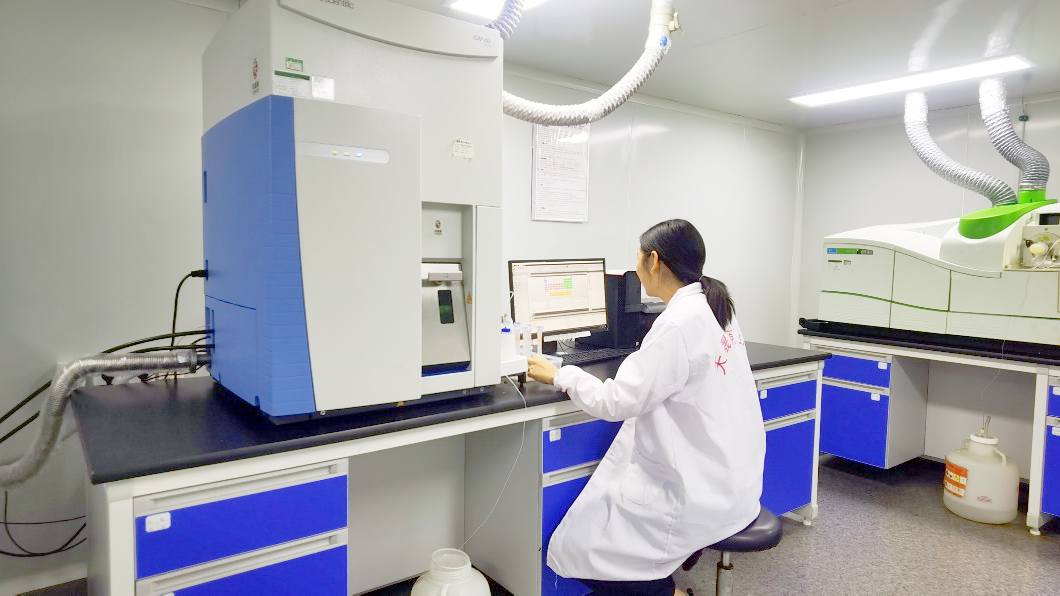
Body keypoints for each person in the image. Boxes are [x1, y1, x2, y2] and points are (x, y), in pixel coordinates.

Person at [526, 219, 766, 596]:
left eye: (638, 258)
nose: (636, 267)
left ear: (653, 260)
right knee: (603, 529)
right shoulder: (714, 306)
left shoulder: (676, 324)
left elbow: (616, 401)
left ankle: (670, 592)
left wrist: (560, 374)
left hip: (699, 496)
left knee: (582, 548)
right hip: (734, 485)